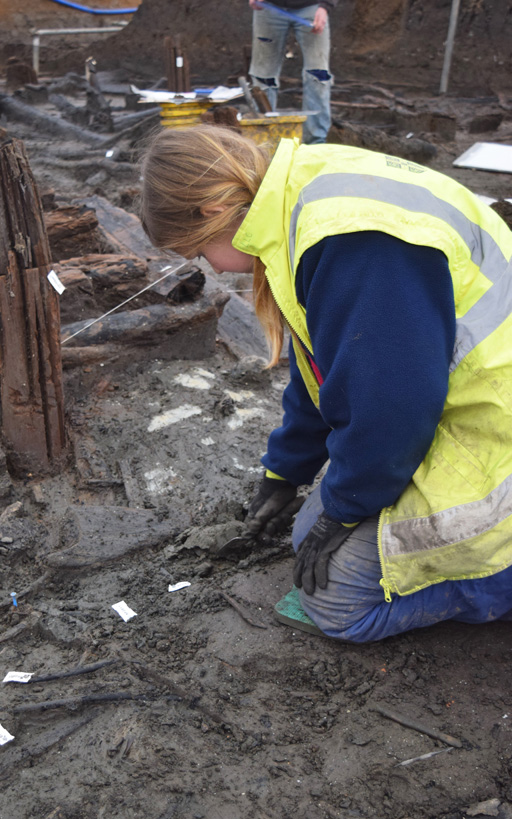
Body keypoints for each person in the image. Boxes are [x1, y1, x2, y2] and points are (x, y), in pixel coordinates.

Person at [139, 124, 512, 644]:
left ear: (209, 211)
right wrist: (286, 470)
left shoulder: (349, 239)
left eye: (199, 252)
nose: (210, 268)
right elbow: (329, 363)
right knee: (306, 533)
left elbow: (393, 408)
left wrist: (343, 507)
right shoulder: (297, 187)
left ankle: (496, 583)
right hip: (459, 401)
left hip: (494, 437)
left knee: (334, 601)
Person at [248, 0, 338, 144]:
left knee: (318, 75)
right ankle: (263, 141)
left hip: (312, 8)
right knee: (263, 76)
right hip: (269, 7)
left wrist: (325, 6)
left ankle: (316, 144)